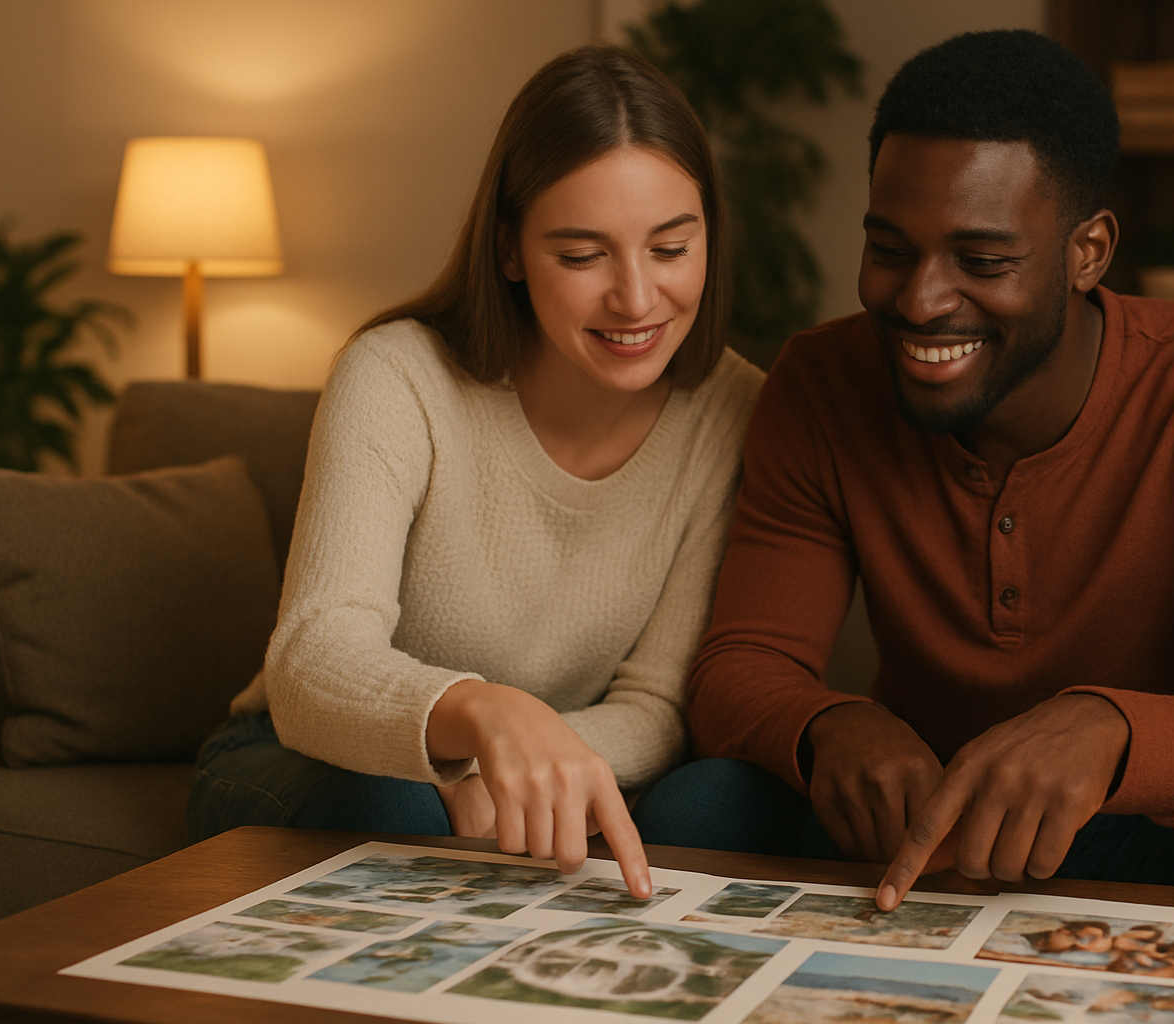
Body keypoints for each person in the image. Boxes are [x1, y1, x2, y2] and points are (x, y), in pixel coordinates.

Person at [633, 29, 1174, 907]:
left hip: (1148, 823)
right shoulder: (821, 381)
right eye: (889, 249)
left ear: (1088, 251)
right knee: (702, 803)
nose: (919, 300)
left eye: (982, 261)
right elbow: (741, 666)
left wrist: (1111, 732)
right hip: (918, 823)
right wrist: (832, 726)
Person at [187, 45, 764, 899]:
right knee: (408, 816)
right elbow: (310, 665)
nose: (638, 299)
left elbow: (658, 707)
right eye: (582, 256)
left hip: (548, 770)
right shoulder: (397, 376)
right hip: (324, 755)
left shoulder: (732, 407)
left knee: (721, 800)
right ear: (508, 250)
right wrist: (484, 722)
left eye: (671, 247)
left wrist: (518, 772)